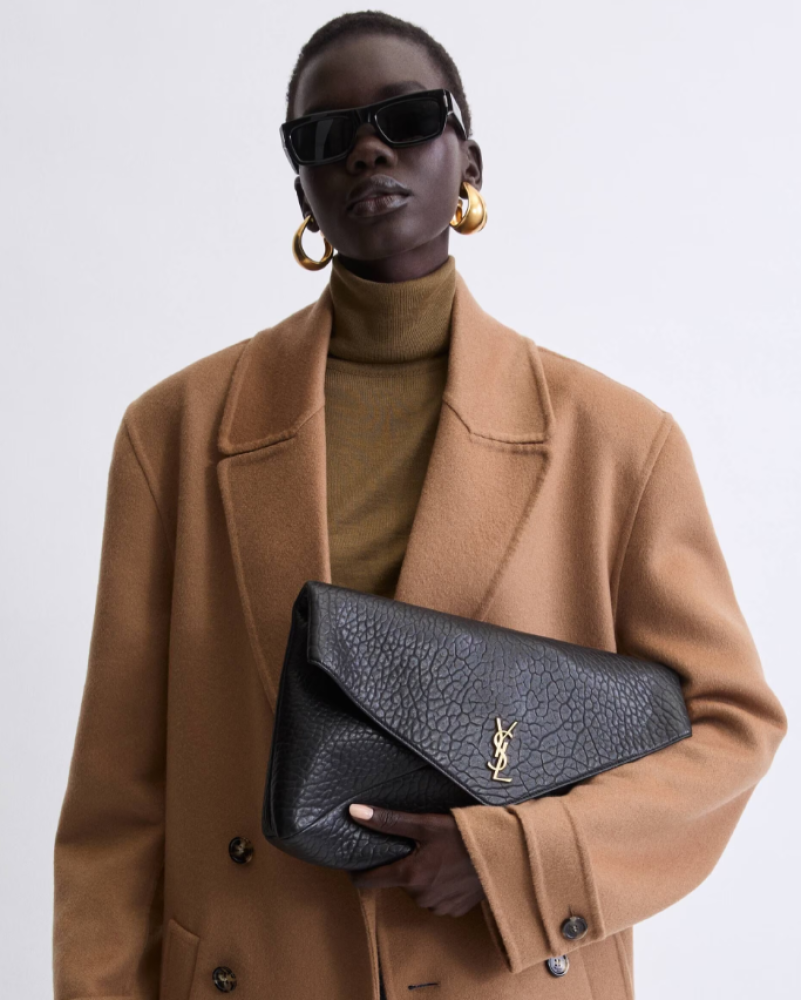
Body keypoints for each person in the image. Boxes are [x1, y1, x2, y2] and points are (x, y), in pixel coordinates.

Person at [52, 11, 788, 1000]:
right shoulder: (175, 434)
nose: (367, 149)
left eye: (406, 117)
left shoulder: (616, 440)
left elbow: (730, 725)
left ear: (468, 159)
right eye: (326, 135)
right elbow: (117, 798)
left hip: (503, 969)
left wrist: (518, 857)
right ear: (303, 190)